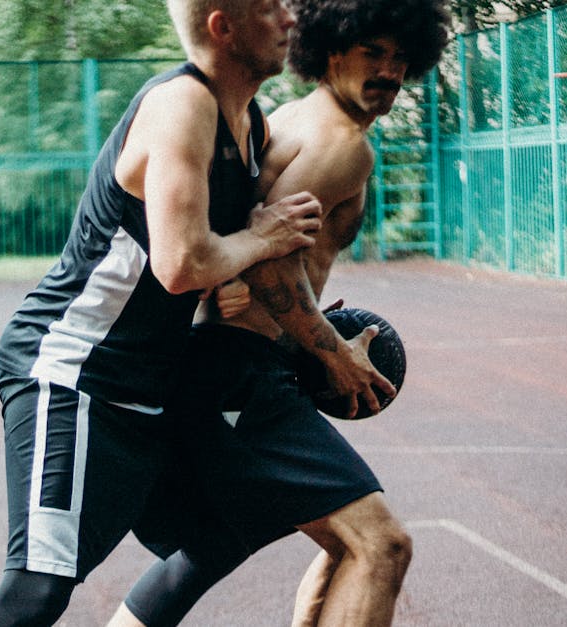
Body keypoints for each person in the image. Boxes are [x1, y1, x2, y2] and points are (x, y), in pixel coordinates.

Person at [0, 0, 384, 624]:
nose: (290, 21)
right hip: (76, 372)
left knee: (226, 528)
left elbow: (217, 263)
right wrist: (264, 242)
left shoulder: (251, 125)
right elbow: (181, 263)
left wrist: (289, 318)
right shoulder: (181, 105)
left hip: (147, 386)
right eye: (270, 9)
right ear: (223, 26)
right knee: (36, 590)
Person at [111, 0, 452, 625]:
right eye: (372, 54)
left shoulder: (284, 120)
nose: (389, 72)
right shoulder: (345, 145)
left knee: (234, 542)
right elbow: (270, 259)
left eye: (401, 58)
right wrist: (330, 353)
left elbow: (240, 234)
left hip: (229, 362)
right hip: (239, 371)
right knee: (382, 545)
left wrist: (285, 322)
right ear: (331, 50)